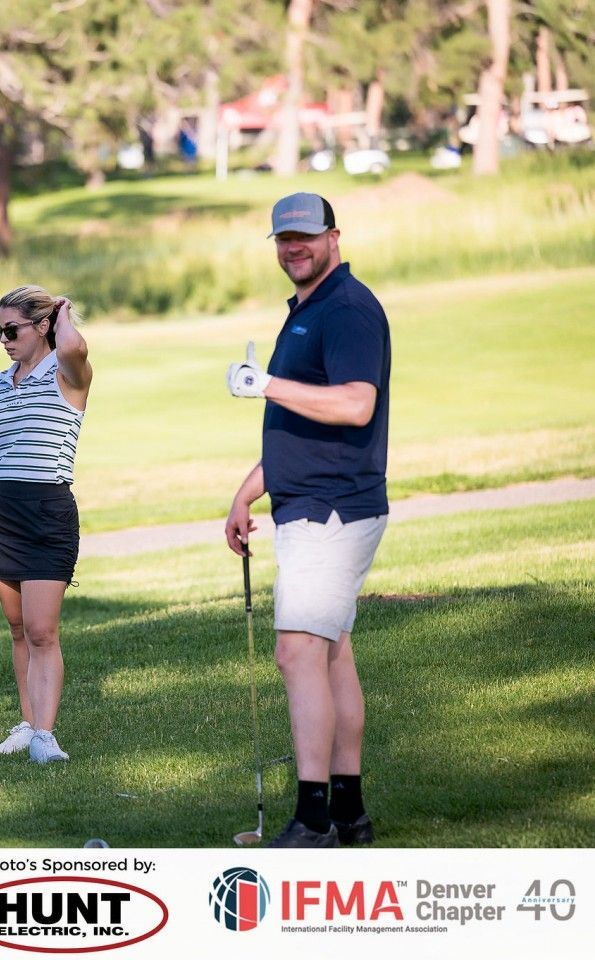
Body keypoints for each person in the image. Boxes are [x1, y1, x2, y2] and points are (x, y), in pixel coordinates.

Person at [224, 192, 391, 848]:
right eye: (282, 238)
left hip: (330, 510)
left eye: (304, 236)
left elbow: (353, 405)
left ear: (332, 236)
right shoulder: (307, 309)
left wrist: (262, 384)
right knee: (330, 655)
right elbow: (304, 420)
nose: (292, 247)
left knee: (296, 653)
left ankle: (312, 819)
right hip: (313, 503)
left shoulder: (346, 308)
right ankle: (347, 813)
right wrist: (247, 492)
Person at [0, 285, 92, 764]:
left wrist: (63, 312)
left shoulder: (68, 375)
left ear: (42, 327)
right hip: (2, 511)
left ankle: (46, 738)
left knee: (43, 629)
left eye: (12, 330)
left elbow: (75, 348)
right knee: (18, 629)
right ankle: (29, 725)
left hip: (47, 509)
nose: (4, 340)